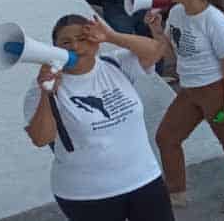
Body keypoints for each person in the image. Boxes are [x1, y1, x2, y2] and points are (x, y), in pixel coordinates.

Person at [23, 13, 172, 220]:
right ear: (54, 48)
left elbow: (156, 50)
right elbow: (41, 138)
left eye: (82, 39)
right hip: (86, 195)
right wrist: (47, 93)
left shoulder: (115, 63)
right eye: (66, 42)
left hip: (144, 179)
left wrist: (111, 36)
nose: (75, 46)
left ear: (95, 41)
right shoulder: (41, 88)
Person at [150, 0, 224, 214]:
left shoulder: (215, 21)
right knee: (166, 137)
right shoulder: (176, 13)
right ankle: (176, 192)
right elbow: (171, 51)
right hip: (190, 90)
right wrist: (155, 29)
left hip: (217, 92)